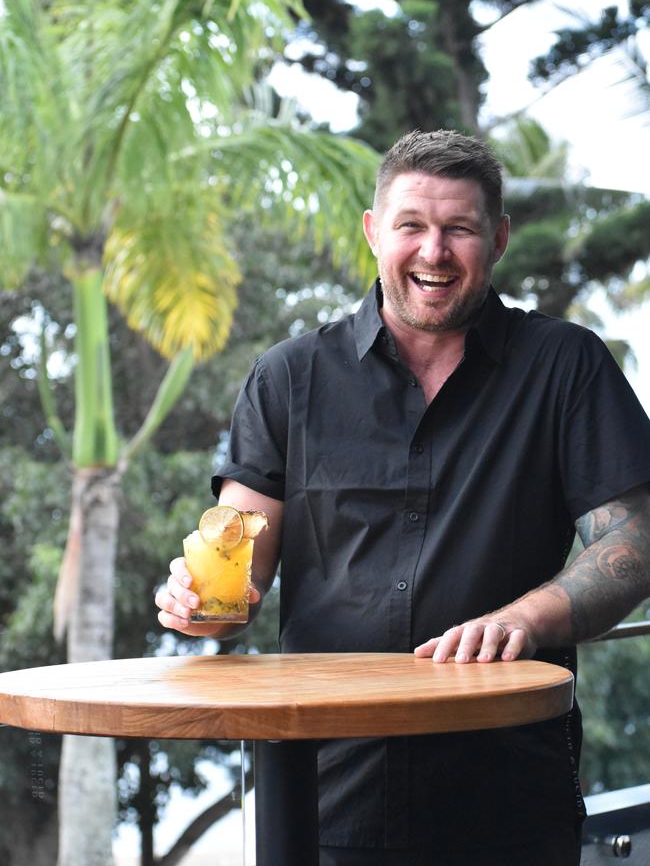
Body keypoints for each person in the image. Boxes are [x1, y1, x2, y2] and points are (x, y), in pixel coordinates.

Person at [156, 130, 650, 865]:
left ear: (500, 238)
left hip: (510, 796)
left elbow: (635, 538)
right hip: (319, 795)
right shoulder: (288, 378)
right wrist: (206, 604)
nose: (433, 251)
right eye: (411, 225)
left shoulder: (565, 365)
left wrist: (526, 616)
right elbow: (241, 555)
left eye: (460, 229)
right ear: (372, 231)